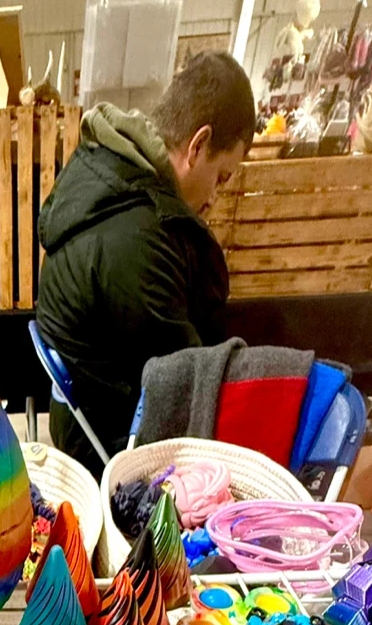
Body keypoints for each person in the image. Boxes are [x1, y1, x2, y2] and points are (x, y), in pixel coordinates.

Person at [36, 53, 256, 473]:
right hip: (107, 444)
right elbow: (192, 386)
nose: (216, 196)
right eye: (221, 176)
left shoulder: (102, 169)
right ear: (198, 145)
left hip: (79, 411)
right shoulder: (140, 242)